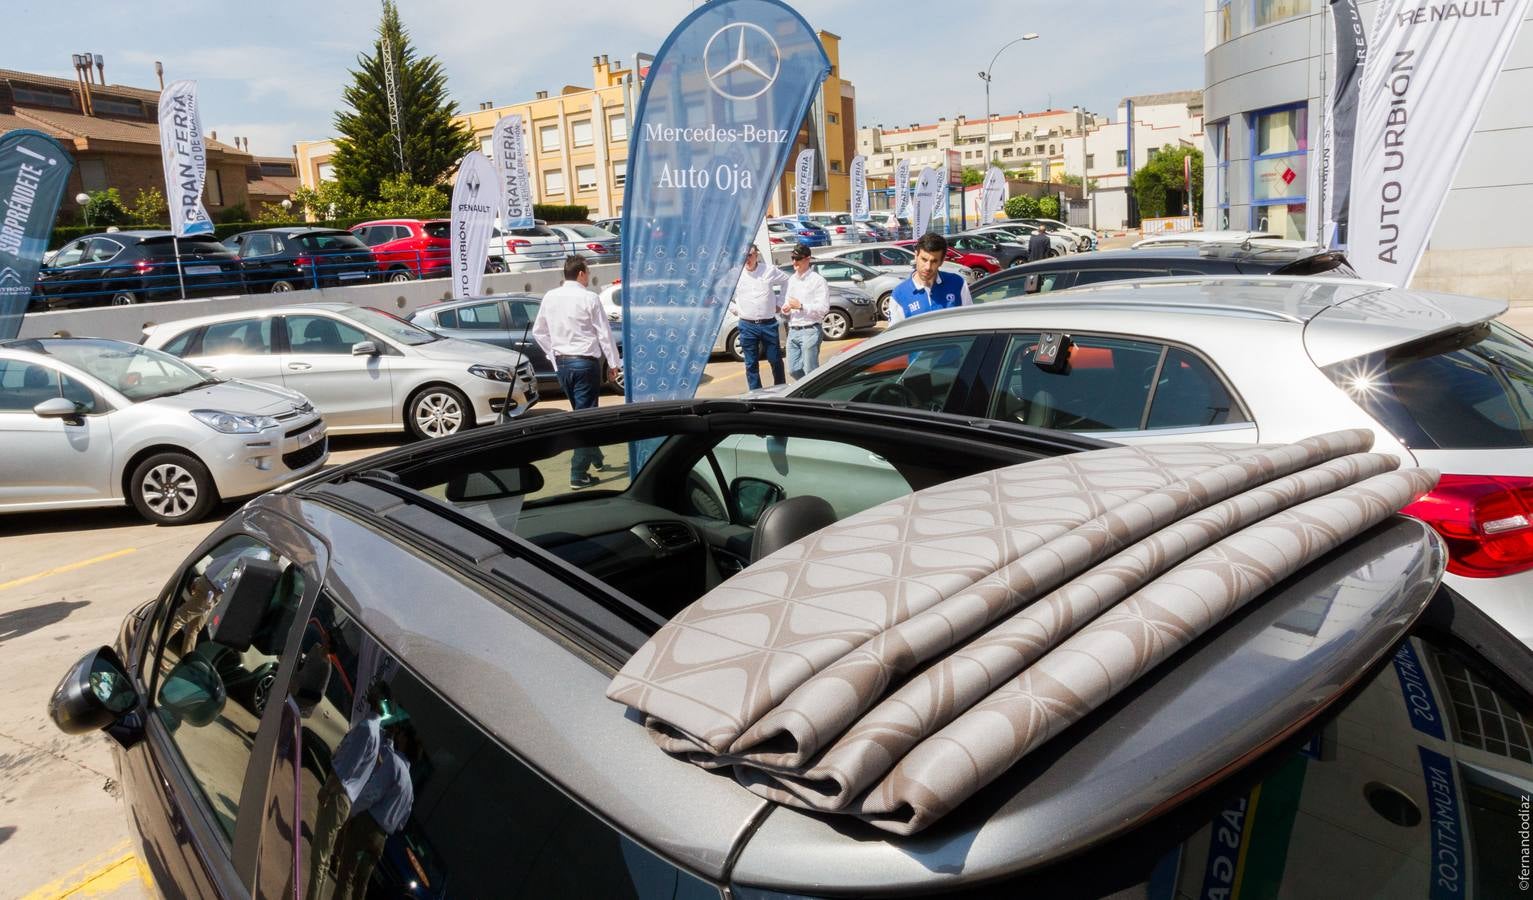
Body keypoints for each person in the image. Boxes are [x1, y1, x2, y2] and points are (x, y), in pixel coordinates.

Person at [532, 256, 623, 488]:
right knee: (585, 420)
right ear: (581, 273)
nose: (589, 275)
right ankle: (577, 473)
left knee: (580, 414)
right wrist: (614, 364)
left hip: (563, 365)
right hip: (585, 364)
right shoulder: (589, 297)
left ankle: (595, 458)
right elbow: (604, 333)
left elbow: (539, 332)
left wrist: (553, 357)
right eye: (588, 271)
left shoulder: (550, 297)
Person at [305, 682, 388, 900]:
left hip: (338, 795)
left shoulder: (367, 730)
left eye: (376, 690)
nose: (371, 690)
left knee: (319, 858)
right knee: (321, 856)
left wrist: (328, 788)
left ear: (380, 701)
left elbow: (346, 768)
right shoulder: (374, 732)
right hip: (344, 799)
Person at [330, 721, 417, 900]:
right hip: (382, 837)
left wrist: (353, 812)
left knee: (346, 875)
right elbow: (401, 823)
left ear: (405, 740)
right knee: (361, 884)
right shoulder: (410, 787)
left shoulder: (394, 762)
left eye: (402, 734)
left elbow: (372, 793)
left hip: (367, 824)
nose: (399, 735)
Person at [733, 244, 790, 389]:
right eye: (744, 256)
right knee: (751, 363)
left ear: (756, 255)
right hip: (747, 324)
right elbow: (719, 290)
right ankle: (755, 393)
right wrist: (734, 309)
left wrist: (780, 302)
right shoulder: (735, 273)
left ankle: (781, 390)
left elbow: (786, 280)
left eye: (750, 255)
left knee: (775, 359)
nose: (747, 259)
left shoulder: (768, 270)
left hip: (768, 323)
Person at [888, 232, 973, 324]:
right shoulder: (899, 295)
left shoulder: (958, 284)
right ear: (916, 256)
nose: (928, 267)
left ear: (941, 261)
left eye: (934, 261)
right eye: (924, 260)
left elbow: (970, 322)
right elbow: (895, 334)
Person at [782, 244, 830, 379]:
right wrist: (786, 308)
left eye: (797, 258)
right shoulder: (792, 280)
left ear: (807, 259)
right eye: (792, 258)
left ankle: (813, 396)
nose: (794, 262)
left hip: (810, 329)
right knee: (793, 370)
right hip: (793, 329)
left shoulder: (818, 281)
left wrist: (801, 306)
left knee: (810, 371)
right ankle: (807, 392)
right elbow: (788, 301)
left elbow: (824, 308)